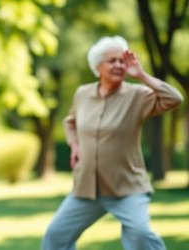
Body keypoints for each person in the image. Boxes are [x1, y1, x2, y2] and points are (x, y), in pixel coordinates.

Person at [42, 35, 183, 250]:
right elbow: (70, 122)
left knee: (140, 235)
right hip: (86, 189)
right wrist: (75, 145)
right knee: (55, 237)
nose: (119, 65)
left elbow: (174, 99)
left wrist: (142, 75)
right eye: (112, 61)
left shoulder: (137, 95)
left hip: (127, 187)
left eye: (122, 61)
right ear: (98, 67)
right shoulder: (83, 94)